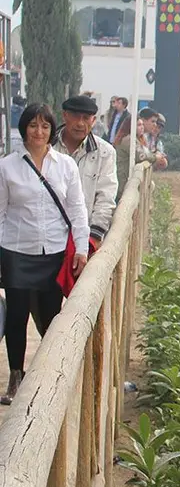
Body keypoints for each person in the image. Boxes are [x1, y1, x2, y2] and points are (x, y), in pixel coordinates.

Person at [0, 104, 90, 405]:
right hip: (16, 249)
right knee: (17, 314)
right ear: (24, 128)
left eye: (45, 127)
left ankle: (50, 376)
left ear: (52, 131)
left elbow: (77, 209)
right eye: (33, 126)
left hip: (52, 250)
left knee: (51, 315)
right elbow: (0, 212)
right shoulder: (7, 166)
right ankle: (16, 376)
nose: (39, 132)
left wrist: (80, 247)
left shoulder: (65, 166)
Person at [53, 95, 119, 254]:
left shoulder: (105, 152)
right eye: (75, 116)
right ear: (65, 115)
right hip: (47, 239)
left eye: (86, 118)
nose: (80, 123)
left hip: (84, 238)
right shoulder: (47, 146)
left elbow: (106, 197)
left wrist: (94, 237)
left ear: (94, 120)